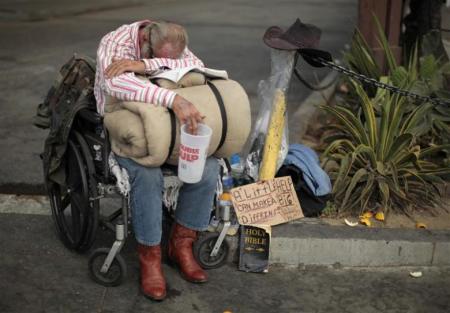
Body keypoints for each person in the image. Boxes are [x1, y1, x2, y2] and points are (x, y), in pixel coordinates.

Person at [94, 20, 220, 301]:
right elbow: (115, 82)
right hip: (127, 125)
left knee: (208, 166)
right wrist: (172, 98)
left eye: (172, 58)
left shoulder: (170, 41)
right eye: (156, 57)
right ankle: (150, 257)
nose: (169, 61)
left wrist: (147, 67)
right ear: (144, 43)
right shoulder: (115, 43)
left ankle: (181, 245)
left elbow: (197, 68)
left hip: (165, 125)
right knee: (147, 174)